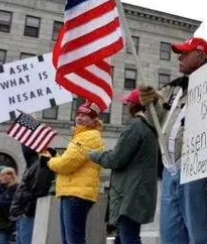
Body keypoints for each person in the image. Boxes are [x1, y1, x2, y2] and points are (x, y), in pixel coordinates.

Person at [138, 37, 207, 244]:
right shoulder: (175, 88)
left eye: (185, 53)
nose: (179, 58)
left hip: (198, 166)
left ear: (201, 56)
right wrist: (151, 104)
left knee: (201, 234)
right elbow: (159, 123)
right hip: (170, 168)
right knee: (171, 235)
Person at [88, 89, 159, 244]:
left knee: (129, 238)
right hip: (136, 192)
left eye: (127, 103)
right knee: (123, 238)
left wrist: (94, 154)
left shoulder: (135, 126)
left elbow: (116, 159)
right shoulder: (148, 127)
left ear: (133, 105)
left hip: (129, 194)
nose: (125, 107)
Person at [46, 101, 105, 244]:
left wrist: (49, 160)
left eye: (85, 115)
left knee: (74, 240)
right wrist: (55, 156)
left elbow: (66, 165)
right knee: (69, 240)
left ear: (93, 120)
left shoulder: (89, 137)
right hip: (72, 192)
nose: (80, 117)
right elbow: (69, 160)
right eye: (78, 114)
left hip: (76, 194)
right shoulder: (81, 137)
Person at [10, 145, 56, 244]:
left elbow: (39, 191)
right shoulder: (32, 165)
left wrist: (27, 210)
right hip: (23, 213)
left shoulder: (39, 165)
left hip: (28, 213)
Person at [0, 167, 18, 244]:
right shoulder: (3, 189)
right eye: (2, 175)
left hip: (7, 225)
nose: (4, 176)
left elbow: (12, 205)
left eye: (8, 174)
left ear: (12, 176)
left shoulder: (15, 189)